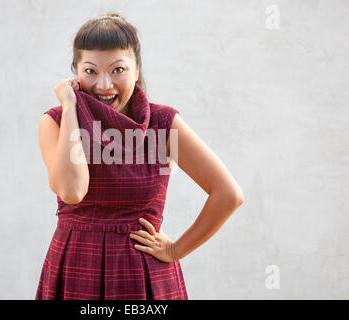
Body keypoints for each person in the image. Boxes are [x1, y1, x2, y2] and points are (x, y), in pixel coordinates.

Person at [36, 12, 244, 300]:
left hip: (142, 275)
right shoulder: (56, 121)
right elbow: (72, 191)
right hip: (75, 268)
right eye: (91, 71)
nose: (104, 85)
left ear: (136, 70)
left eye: (118, 70)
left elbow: (228, 194)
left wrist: (175, 249)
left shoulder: (163, 123)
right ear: (76, 73)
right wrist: (71, 107)